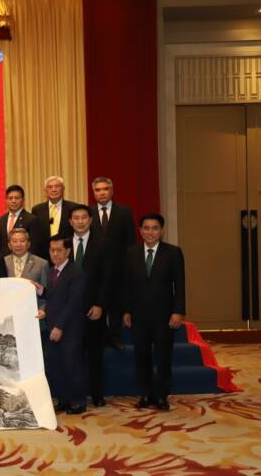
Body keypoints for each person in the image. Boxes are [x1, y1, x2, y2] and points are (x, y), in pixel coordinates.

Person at [123, 213, 186, 411]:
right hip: (138, 315)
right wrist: (126, 310)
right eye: (146, 228)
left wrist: (178, 311)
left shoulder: (173, 252)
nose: (150, 232)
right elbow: (126, 285)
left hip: (164, 315)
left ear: (161, 231)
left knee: (163, 357)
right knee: (141, 357)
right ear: (140, 231)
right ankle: (146, 394)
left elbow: (180, 284)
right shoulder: (131, 253)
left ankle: (161, 396)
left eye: (155, 228)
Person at [69, 206, 112, 407]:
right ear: (70, 222)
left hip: (93, 308)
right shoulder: (62, 244)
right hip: (69, 310)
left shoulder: (103, 244)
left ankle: (97, 394)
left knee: (95, 354)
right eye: (76, 218)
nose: (80, 221)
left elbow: (108, 278)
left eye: (84, 218)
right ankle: (74, 394)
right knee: (72, 355)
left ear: (91, 220)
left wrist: (100, 304)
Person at [89, 176, 137, 350]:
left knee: (116, 303)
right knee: (98, 302)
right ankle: (101, 336)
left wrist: (131, 263)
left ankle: (114, 336)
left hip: (119, 266)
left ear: (111, 191)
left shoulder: (124, 212)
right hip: (96, 268)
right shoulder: (88, 212)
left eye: (105, 189)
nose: (101, 193)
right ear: (93, 193)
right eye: (98, 190)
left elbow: (131, 241)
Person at [43, 235, 88, 414]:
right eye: (52, 250)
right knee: (56, 366)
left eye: (59, 250)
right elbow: (54, 297)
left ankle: (78, 401)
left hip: (69, 328)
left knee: (72, 366)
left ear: (68, 251)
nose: (55, 254)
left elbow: (73, 303)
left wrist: (59, 326)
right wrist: (41, 290)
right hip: (52, 326)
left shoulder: (76, 272)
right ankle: (63, 399)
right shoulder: (52, 271)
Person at [3, 228, 48, 316]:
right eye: (15, 241)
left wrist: (42, 309)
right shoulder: (2, 262)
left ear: (28, 244)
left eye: (22, 241)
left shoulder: (42, 263)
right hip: (8, 313)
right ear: (9, 245)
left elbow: (46, 291)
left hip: (32, 314)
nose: (18, 244)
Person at [31, 176, 81, 250]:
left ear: (63, 189)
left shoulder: (73, 208)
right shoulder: (37, 210)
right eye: (50, 187)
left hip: (67, 251)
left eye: (57, 186)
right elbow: (35, 235)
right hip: (43, 252)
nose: (53, 190)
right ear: (45, 191)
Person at [0, 184, 40, 257]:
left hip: (24, 260)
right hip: (4, 260)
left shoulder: (32, 219)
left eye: (17, 198)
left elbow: (34, 246)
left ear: (23, 200)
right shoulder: (0, 221)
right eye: (10, 198)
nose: (13, 201)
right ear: (6, 200)